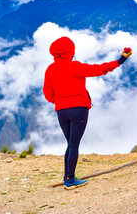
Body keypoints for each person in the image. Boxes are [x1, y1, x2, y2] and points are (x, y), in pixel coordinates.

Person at [43, 36, 132, 190]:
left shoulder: (50, 69)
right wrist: (121, 59)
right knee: (74, 144)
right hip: (79, 109)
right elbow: (100, 69)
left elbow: (47, 93)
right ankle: (70, 180)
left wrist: (61, 102)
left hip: (61, 111)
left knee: (70, 144)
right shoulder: (76, 66)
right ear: (70, 51)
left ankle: (67, 176)